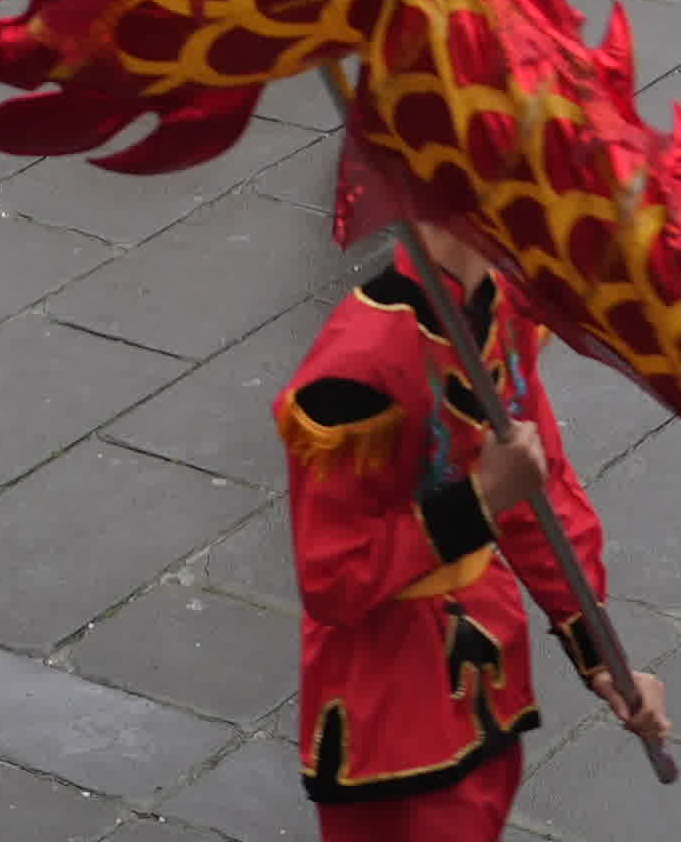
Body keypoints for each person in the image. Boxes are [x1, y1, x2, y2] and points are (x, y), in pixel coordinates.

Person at [280, 207, 657, 836]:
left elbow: (541, 493)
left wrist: (600, 653)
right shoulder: (358, 368)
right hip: (390, 697)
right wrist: (480, 501)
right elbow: (334, 578)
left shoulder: (500, 308)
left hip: (483, 662)